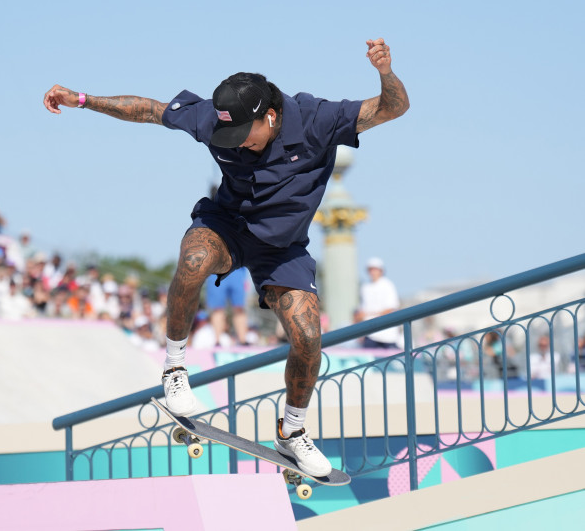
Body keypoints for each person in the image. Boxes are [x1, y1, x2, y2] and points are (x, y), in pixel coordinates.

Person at [43, 37, 409, 477]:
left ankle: (293, 433)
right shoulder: (215, 120)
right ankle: (175, 368)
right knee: (194, 261)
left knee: (309, 336)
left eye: (243, 135)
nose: (233, 144)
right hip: (228, 226)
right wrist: (81, 99)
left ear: (270, 117)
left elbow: (393, 108)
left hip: (282, 247)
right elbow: (147, 109)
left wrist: (385, 72)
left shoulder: (317, 119)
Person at [354, 257, 401, 349]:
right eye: (370, 270)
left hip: (388, 335)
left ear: (381, 271)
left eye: (375, 269)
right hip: (370, 333)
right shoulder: (365, 287)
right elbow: (361, 312)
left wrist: (370, 315)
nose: (372, 272)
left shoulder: (388, 285)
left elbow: (391, 309)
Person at [205, 266, 249, 346]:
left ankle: (243, 340)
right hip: (216, 269)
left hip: (237, 269)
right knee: (217, 308)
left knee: (239, 307)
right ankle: (217, 341)